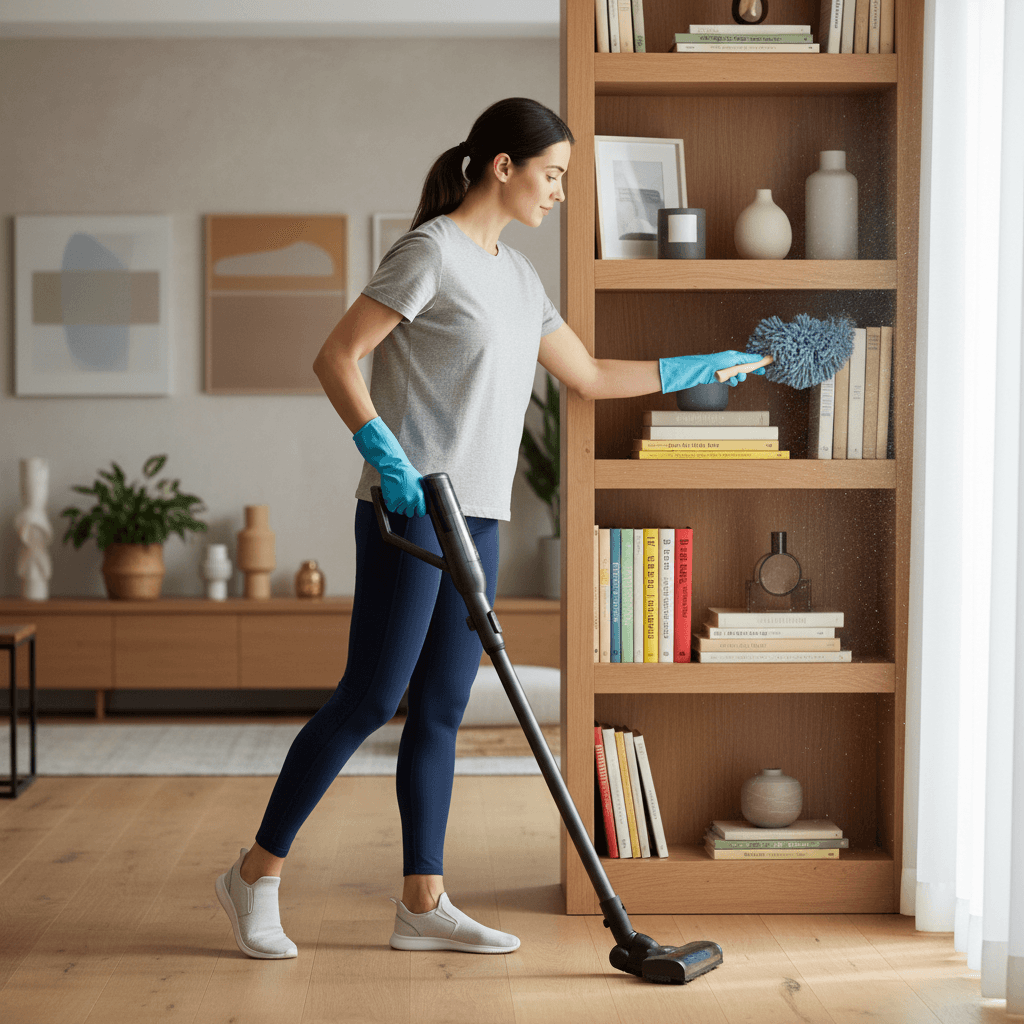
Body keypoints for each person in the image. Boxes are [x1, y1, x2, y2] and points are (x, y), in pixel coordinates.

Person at [215, 96, 763, 961]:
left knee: (441, 705)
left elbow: (587, 374)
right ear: (503, 166)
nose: (560, 193)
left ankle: (423, 902)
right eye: (553, 175)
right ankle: (254, 875)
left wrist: (699, 366)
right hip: (410, 512)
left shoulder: (518, 276)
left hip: (481, 514)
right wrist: (385, 453)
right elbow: (337, 356)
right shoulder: (429, 252)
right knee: (370, 698)